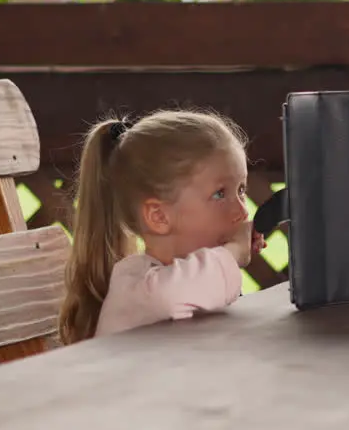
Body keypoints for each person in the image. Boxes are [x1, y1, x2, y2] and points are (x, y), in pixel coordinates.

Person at [58, 109, 266, 345]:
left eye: (241, 190)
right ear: (159, 217)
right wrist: (234, 253)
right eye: (220, 194)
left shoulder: (195, 281)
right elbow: (176, 293)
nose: (242, 211)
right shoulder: (136, 286)